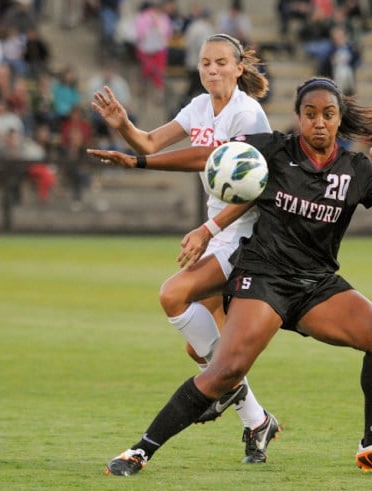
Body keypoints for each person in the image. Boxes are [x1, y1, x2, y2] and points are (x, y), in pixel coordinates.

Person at [88, 76, 372, 476]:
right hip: (264, 278)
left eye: (328, 115)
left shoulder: (357, 168)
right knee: (225, 371)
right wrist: (139, 160)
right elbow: (208, 156)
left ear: (339, 119)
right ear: (297, 117)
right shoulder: (273, 151)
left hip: (316, 285)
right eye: (309, 114)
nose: (318, 122)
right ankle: (139, 451)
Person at [90, 33, 279, 466]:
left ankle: (231, 393)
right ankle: (256, 421)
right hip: (218, 228)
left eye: (220, 63)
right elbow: (152, 143)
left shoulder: (247, 113)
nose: (211, 69)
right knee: (202, 349)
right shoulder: (198, 106)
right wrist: (124, 126)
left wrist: (206, 228)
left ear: (238, 69)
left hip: (246, 230)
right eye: (204, 63)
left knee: (173, 295)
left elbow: (215, 166)